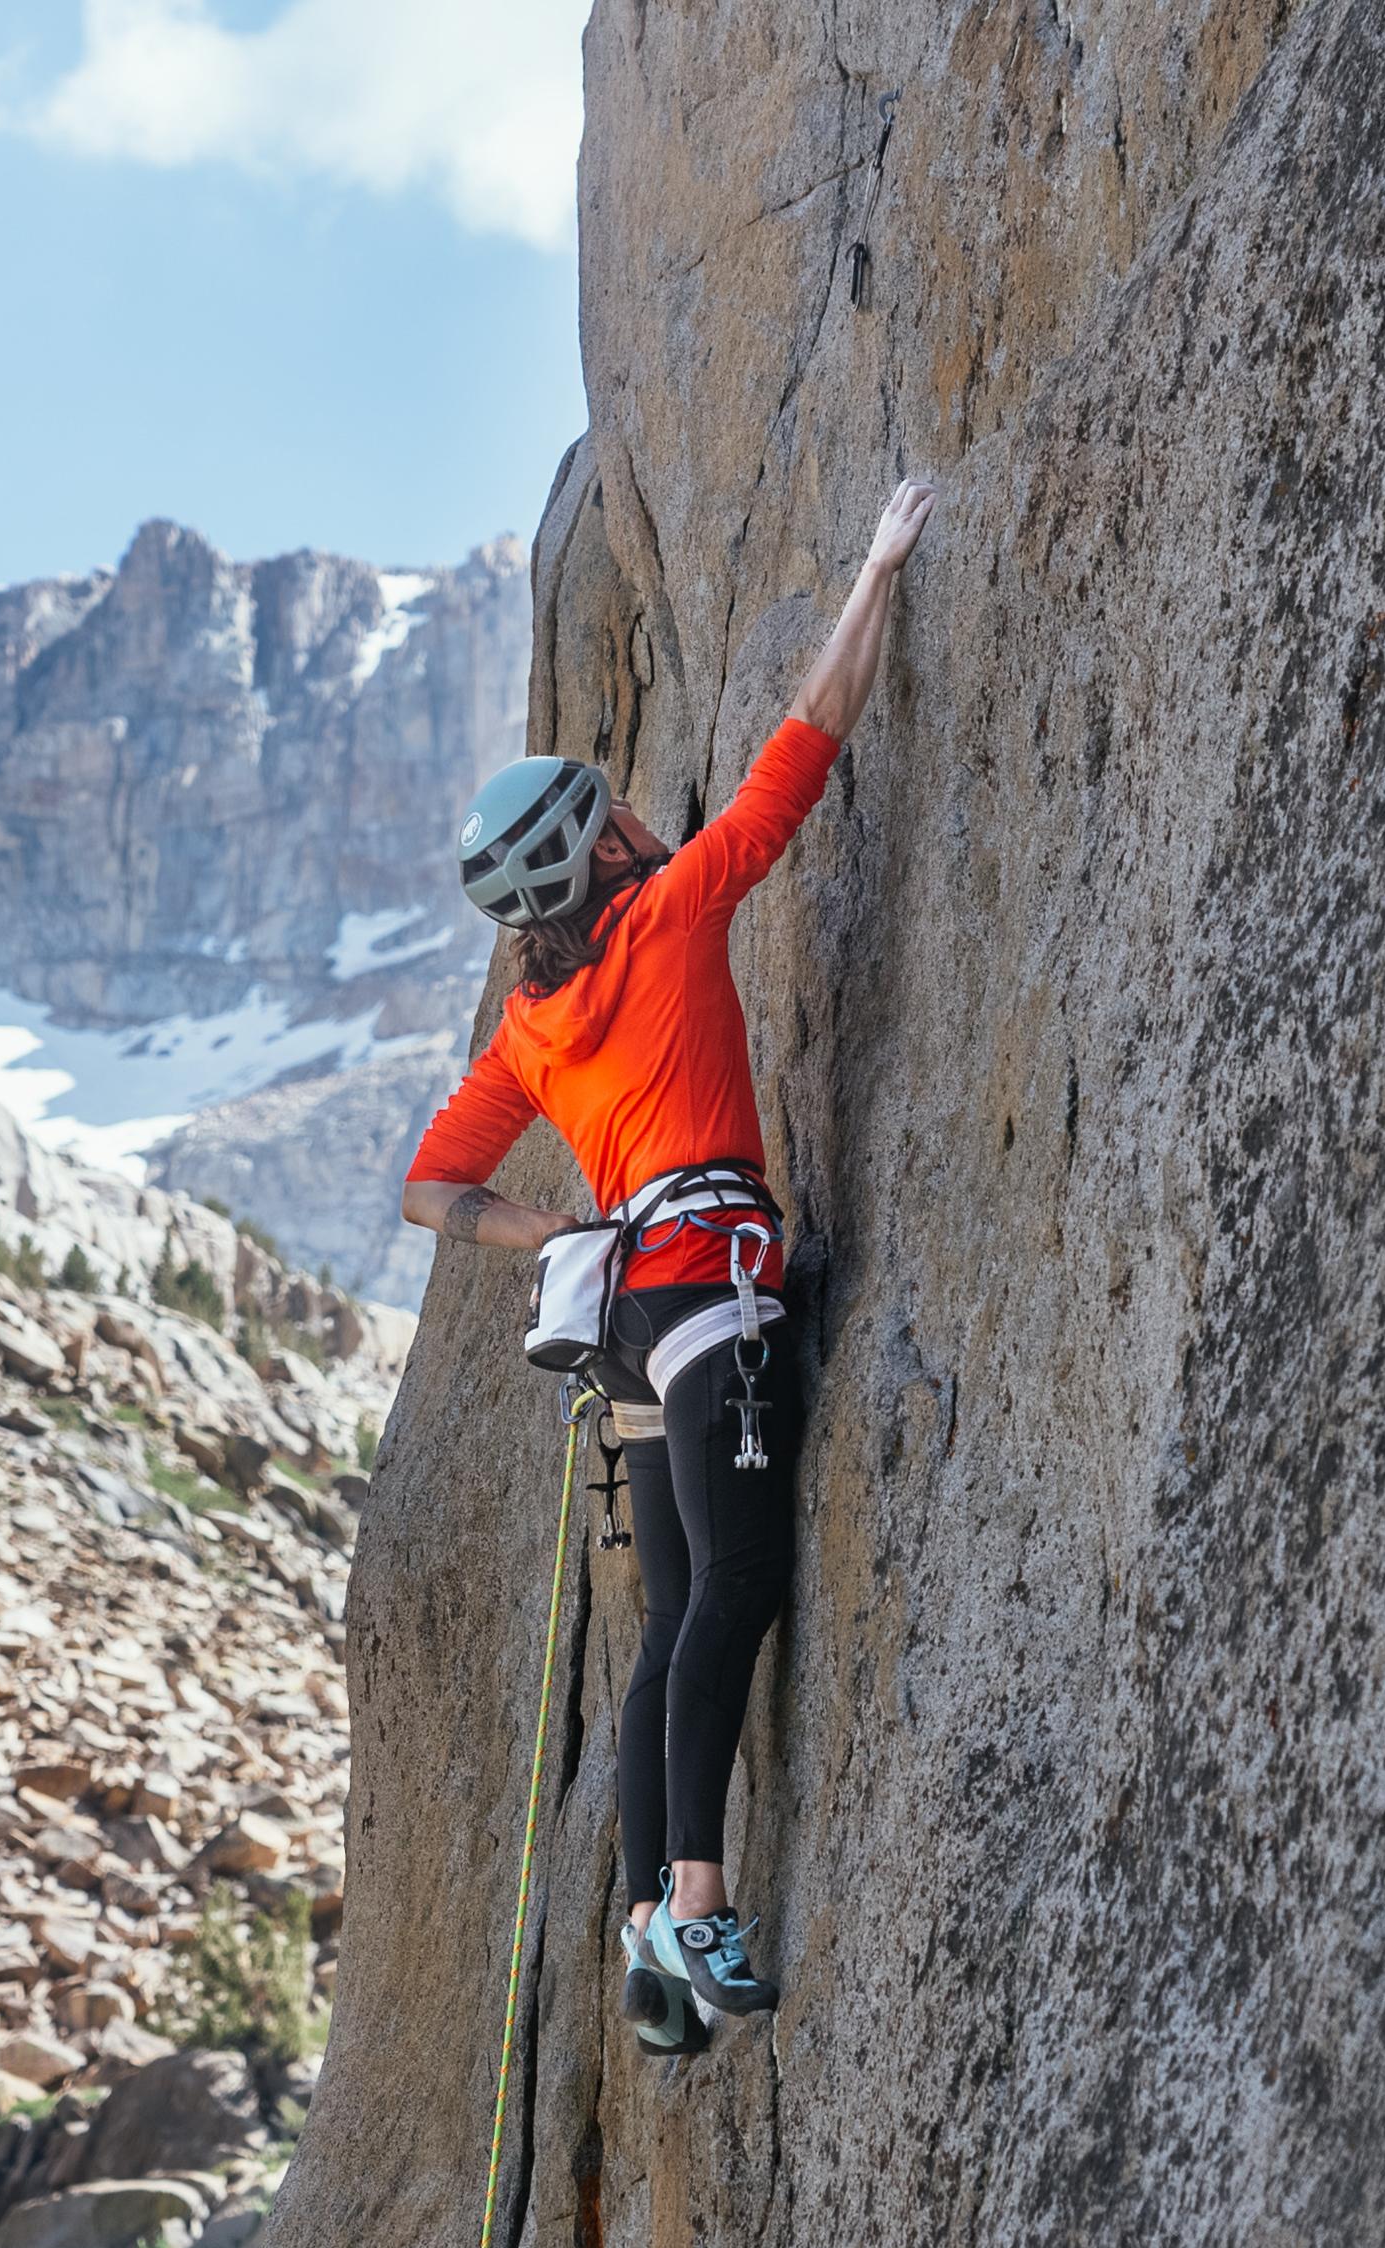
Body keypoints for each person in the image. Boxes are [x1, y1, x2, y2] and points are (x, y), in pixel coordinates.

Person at [399, 476, 936, 2055]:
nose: (645, 811)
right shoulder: (671, 918)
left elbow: (433, 1190)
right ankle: (698, 1908)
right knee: (743, 1586)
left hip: (628, 1323)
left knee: (677, 1612)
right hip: (713, 1293)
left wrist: (553, 1231)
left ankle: (643, 1924)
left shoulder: (531, 1026)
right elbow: (804, 746)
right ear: (600, 845)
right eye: (617, 806)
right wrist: (878, 565)